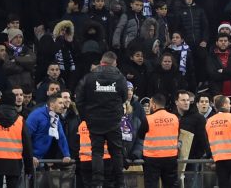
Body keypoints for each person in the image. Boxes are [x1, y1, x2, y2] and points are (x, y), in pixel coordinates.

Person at [75, 51, 130, 188]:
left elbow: (79, 100)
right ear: (114, 62)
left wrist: (86, 118)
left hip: (94, 121)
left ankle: (97, 183)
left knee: (97, 152)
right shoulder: (120, 78)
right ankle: (120, 183)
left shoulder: (89, 77)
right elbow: (124, 97)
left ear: (101, 62)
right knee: (116, 152)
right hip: (113, 121)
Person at [0, 90, 34, 188]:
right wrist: (29, 168)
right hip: (14, 163)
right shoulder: (20, 120)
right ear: (13, 102)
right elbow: (27, 146)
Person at [26, 93, 73, 187]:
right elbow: (26, 137)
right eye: (60, 103)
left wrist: (66, 155)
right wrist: (30, 156)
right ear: (52, 105)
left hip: (40, 160)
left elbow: (61, 136)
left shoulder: (55, 117)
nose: (63, 106)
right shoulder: (36, 115)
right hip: (30, 159)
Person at [138, 93, 180, 188]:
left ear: (153, 104)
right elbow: (177, 134)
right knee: (171, 185)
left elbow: (140, 135)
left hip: (152, 158)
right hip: (171, 157)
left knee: (151, 185)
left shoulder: (148, 119)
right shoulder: (174, 118)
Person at [205, 94, 231, 188]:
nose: (230, 105)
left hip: (219, 158)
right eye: (229, 103)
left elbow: (207, 141)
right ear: (224, 104)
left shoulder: (209, 121)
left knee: (223, 184)